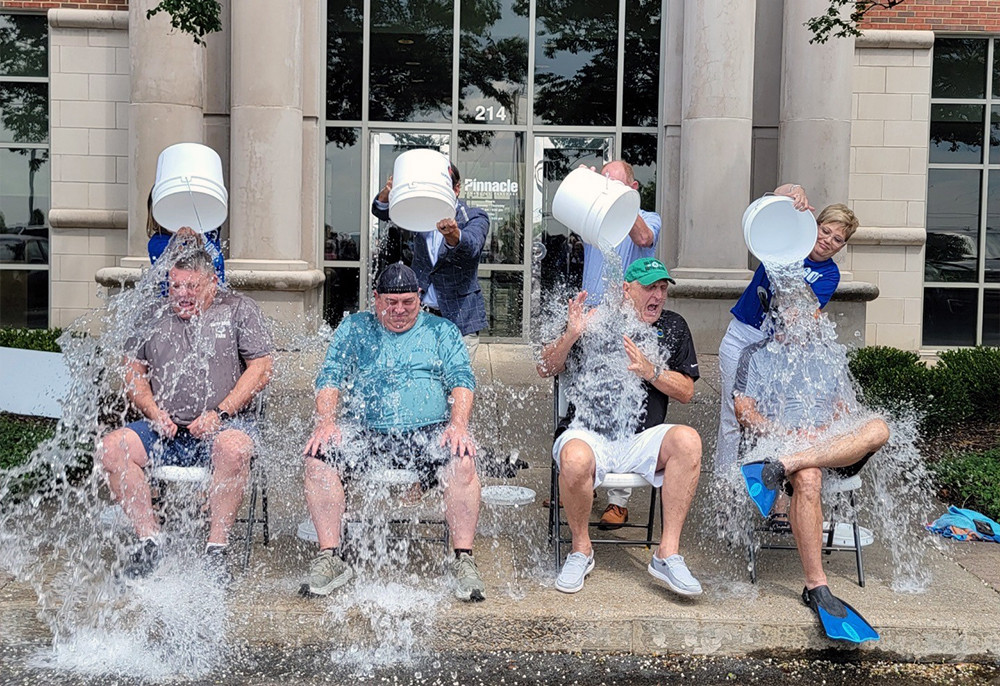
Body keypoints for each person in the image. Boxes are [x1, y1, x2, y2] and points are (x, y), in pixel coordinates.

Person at [300, 262, 486, 601]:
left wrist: (458, 425)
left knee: (463, 458)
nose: (398, 311)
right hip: (367, 432)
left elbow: (462, 378)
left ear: (419, 298)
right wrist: (325, 422)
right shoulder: (355, 328)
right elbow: (330, 376)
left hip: (428, 433)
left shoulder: (441, 330)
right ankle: (330, 557)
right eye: (390, 303)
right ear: (376, 299)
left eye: (407, 303)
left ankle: (463, 559)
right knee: (317, 457)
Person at [99, 249, 273, 581]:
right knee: (111, 448)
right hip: (165, 428)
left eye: (191, 287)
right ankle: (150, 542)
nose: (182, 295)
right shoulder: (151, 314)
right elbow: (132, 372)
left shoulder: (237, 310)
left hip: (225, 426)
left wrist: (219, 413)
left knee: (234, 448)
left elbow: (262, 369)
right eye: (175, 286)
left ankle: (216, 550)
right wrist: (153, 411)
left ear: (213, 282)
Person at [538, 257, 703, 596]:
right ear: (626, 290)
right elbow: (546, 367)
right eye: (649, 287)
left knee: (689, 440)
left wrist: (651, 371)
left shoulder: (673, 326)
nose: (657, 295)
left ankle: (666, 553)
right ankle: (581, 550)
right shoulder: (594, 322)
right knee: (573, 459)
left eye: (662, 288)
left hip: (641, 439)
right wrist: (571, 335)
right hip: (588, 432)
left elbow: (687, 391)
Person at [733, 295, 888, 641]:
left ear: (817, 315)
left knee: (879, 427)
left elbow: (845, 411)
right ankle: (816, 587)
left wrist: (822, 433)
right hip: (784, 445)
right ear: (777, 313)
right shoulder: (756, 355)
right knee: (808, 476)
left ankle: (789, 462)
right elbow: (744, 412)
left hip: (830, 450)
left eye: (807, 307)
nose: (800, 315)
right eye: (790, 306)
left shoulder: (831, 356)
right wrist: (784, 432)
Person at [716, 186, 859, 468]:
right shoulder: (790, 237)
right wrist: (792, 191)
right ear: (815, 225)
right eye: (826, 230)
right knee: (733, 415)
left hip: (777, 350)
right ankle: (727, 480)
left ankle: (766, 479)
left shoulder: (829, 274)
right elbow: (765, 208)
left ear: (843, 246)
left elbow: (803, 314)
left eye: (838, 239)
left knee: (769, 416)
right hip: (744, 334)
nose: (828, 240)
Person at [578, 160, 663, 528]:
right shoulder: (593, 218)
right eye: (605, 183)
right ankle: (581, 479)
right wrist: (587, 189)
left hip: (625, 323)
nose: (607, 190)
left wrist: (619, 199)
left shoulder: (649, 217)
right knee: (585, 396)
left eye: (617, 184)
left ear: (633, 186)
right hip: (591, 321)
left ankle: (619, 499)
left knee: (623, 398)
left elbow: (643, 238)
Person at [372, 163, 489, 361]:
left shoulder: (475, 216)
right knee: (419, 377)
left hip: (461, 317)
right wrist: (389, 192)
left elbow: (472, 245)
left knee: (456, 382)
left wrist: (453, 235)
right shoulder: (419, 214)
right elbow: (381, 211)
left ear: (456, 189)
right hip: (422, 315)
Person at [146, 188, 226, 282]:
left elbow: (215, 267)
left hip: (213, 295)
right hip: (178, 296)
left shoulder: (209, 232)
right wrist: (191, 243)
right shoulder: (158, 243)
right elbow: (183, 271)